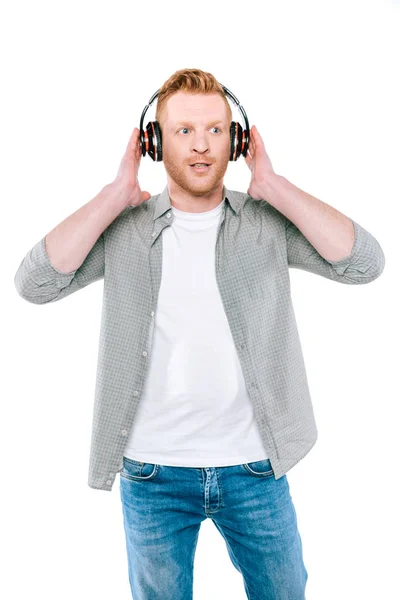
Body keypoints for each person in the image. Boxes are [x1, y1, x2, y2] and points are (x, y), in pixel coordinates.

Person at [14, 68, 385, 600]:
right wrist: (114, 194)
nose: (201, 145)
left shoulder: (265, 222)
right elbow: (35, 284)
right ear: (154, 142)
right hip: (152, 475)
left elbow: (364, 264)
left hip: (257, 466)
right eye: (183, 130)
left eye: (215, 129)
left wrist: (274, 186)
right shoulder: (125, 228)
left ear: (236, 141)